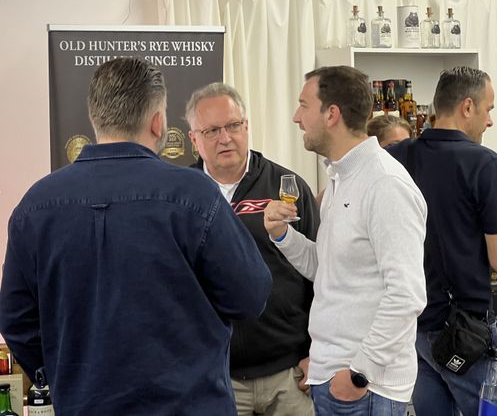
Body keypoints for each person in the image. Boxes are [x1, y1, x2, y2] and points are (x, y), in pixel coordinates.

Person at [0, 58, 272, 415]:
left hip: (85, 405)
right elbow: (250, 296)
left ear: (95, 118)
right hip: (188, 405)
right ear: (158, 122)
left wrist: (63, 373)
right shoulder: (194, 195)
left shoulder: (36, 204)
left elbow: (16, 320)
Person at [263, 65, 427, 416]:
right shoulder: (341, 177)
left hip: (364, 389)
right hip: (335, 379)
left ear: (331, 114)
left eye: (303, 105)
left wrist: (358, 374)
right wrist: (283, 235)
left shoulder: (385, 184)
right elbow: (329, 269)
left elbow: (407, 294)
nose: (296, 117)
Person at [387, 66, 497, 416]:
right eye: (488, 110)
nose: (490, 121)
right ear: (467, 107)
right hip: (464, 330)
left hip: (413, 326)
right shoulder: (482, 162)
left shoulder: (397, 156)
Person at [185, 82, 319, 416]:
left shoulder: (288, 187)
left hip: (290, 373)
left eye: (233, 125)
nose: (225, 138)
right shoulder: (180, 196)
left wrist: (317, 350)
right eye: (212, 130)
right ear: (193, 139)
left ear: (246, 126)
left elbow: (322, 276)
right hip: (214, 377)